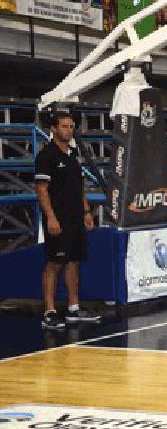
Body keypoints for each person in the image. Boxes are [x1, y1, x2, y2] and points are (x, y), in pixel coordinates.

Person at [34, 113, 101, 330]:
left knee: (74, 261)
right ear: (53, 129)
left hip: (75, 219)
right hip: (58, 219)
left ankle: (73, 308)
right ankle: (50, 312)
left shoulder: (73, 154)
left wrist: (86, 212)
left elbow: (78, 187)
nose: (69, 130)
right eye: (64, 126)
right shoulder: (46, 156)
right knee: (54, 263)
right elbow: (42, 190)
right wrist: (51, 217)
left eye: (71, 127)